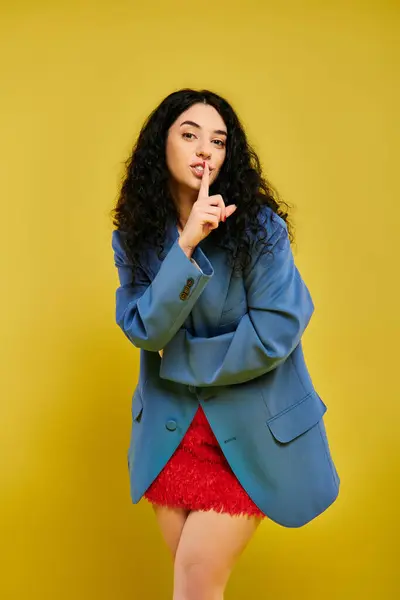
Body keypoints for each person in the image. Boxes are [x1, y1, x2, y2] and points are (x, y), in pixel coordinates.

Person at [111, 88, 340, 600]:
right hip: (170, 437)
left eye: (217, 140)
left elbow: (277, 330)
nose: (204, 150)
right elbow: (145, 330)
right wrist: (186, 243)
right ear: (160, 145)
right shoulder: (135, 237)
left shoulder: (261, 230)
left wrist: (183, 359)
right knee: (193, 586)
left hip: (252, 434)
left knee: (194, 582)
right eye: (189, 135)